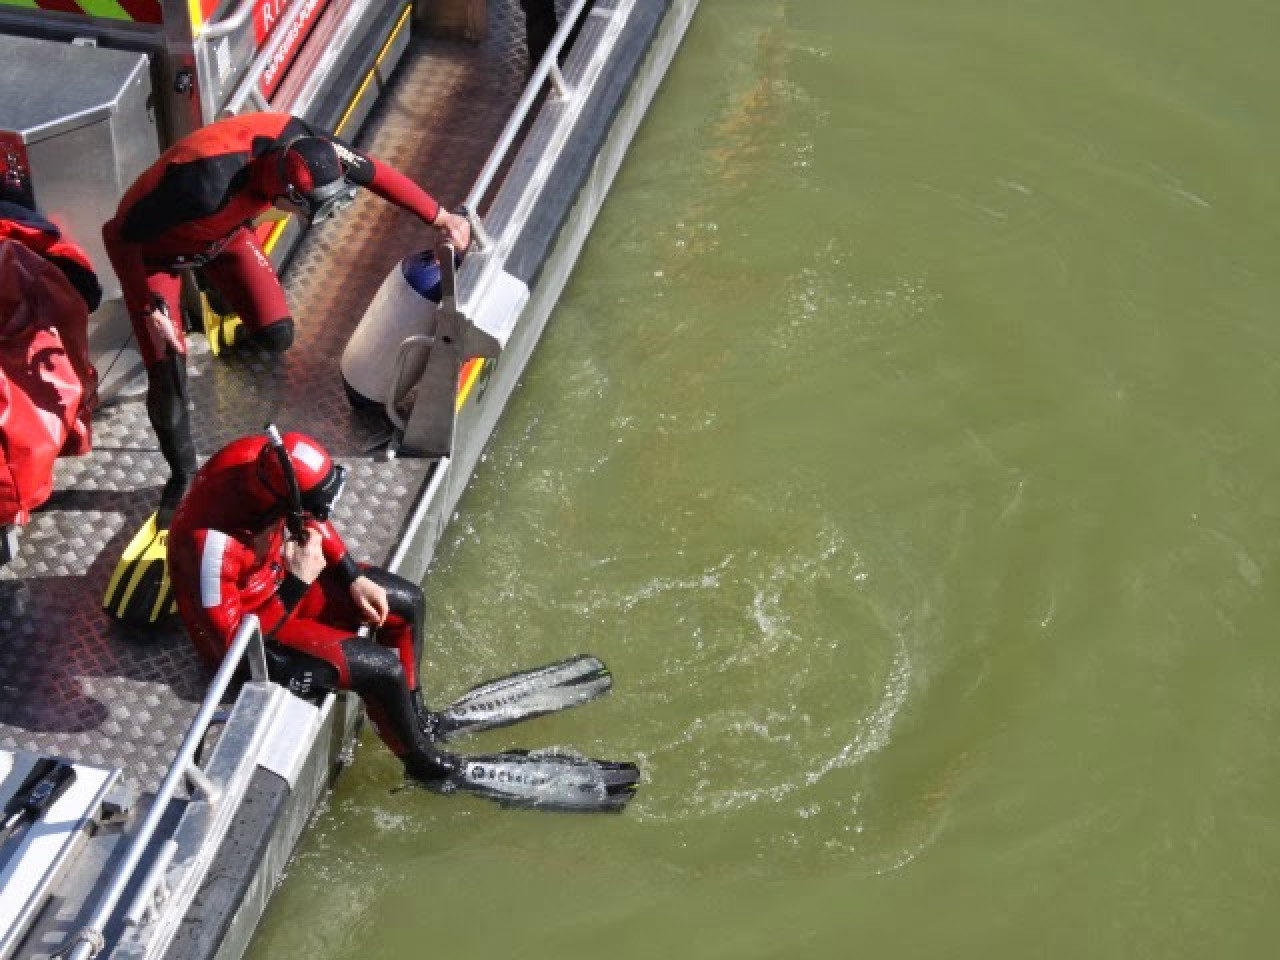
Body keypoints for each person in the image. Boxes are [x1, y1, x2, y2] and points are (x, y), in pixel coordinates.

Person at [166, 429, 641, 810]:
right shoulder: (210, 545)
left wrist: (350, 575)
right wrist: (296, 583)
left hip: (281, 578)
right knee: (381, 669)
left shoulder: (263, 463)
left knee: (407, 604)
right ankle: (426, 766)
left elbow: (313, 519)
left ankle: (417, 720)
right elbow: (232, 644)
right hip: (251, 633)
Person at [101, 112, 471, 519]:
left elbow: (373, 171)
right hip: (157, 257)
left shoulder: (307, 147)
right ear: (286, 195)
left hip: (225, 236)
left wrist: (440, 217)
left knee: (277, 335)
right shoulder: (202, 186)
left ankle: (214, 287)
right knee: (168, 371)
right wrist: (149, 306)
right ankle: (182, 474)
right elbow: (117, 234)